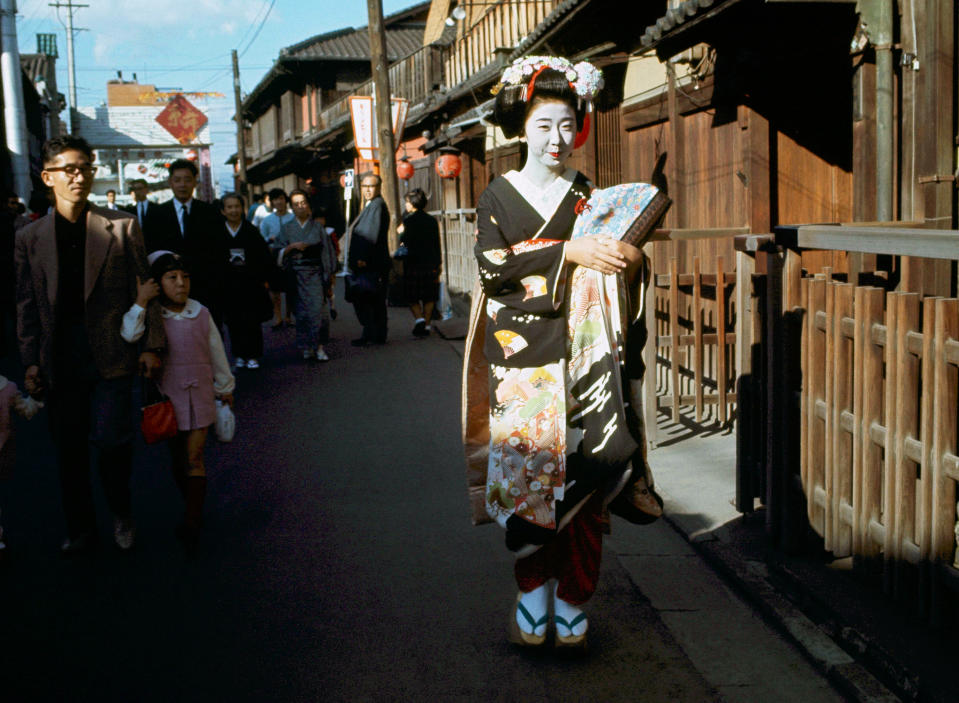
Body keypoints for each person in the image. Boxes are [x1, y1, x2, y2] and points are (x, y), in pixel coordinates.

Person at [463, 57, 664, 649]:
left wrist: (630, 262)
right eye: (544, 124)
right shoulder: (497, 196)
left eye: (566, 124)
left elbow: (620, 257)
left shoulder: (586, 195)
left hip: (584, 355)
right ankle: (532, 586)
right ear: (523, 128)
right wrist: (568, 254)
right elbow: (493, 268)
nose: (556, 138)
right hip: (521, 360)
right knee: (529, 474)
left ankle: (575, 591)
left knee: (588, 475)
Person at [15, 135, 165, 554]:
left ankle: (121, 513)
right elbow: (26, 303)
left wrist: (152, 345)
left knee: (113, 444)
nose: (78, 176)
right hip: (59, 358)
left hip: (112, 354)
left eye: (85, 168)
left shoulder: (121, 225)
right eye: (68, 169)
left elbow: (145, 286)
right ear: (48, 177)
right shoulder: (30, 237)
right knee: (69, 451)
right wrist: (29, 360)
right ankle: (80, 528)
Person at [122, 251, 234, 550]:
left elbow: (217, 352)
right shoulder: (153, 315)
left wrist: (225, 387)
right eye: (172, 278)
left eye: (185, 277)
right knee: (178, 460)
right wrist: (141, 302)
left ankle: (192, 521)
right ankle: (192, 503)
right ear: (158, 283)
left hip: (201, 393)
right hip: (169, 398)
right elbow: (129, 334)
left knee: (195, 458)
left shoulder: (201, 313)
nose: (181, 284)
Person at [142, 159, 230, 324]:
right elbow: (150, 251)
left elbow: (220, 251)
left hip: (206, 288)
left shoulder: (210, 213)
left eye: (187, 179)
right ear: (170, 182)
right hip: (169, 291)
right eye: (177, 180)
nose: (182, 184)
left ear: (195, 182)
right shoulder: (156, 215)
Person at [276, 189, 337, 361]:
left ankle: (319, 346)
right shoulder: (287, 228)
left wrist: (328, 275)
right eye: (296, 204)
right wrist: (290, 248)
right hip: (295, 275)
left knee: (318, 312)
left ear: (308, 205)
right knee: (301, 313)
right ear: (292, 208)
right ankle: (305, 347)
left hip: (315, 274)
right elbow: (277, 250)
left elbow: (327, 253)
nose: (300, 207)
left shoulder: (317, 227)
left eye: (303, 202)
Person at [220, 193, 275, 370]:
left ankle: (253, 355)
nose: (233, 210)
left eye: (237, 206)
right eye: (229, 207)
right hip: (229, 284)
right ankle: (239, 355)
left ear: (242, 209)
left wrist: (263, 279)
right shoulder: (218, 232)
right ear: (223, 211)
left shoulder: (251, 231)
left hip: (250, 284)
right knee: (233, 322)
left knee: (252, 321)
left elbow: (263, 257)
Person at [0, 374, 42, 563]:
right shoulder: (7, 389)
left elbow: (26, 409)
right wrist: (36, 397)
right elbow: (27, 410)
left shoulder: (7, 390)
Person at [346, 173, 390, 346]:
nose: (368, 190)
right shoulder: (370, 205)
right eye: (365, 186)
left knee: (369, 299)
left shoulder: (377, 205)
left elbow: (369, 233)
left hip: (371, 263)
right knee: (373, 300)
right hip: (373, 262)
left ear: (379, 188)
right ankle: (375, 334)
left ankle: (373, 334)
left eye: (371, 186)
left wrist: (362, 257)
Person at [397, 188, 441, 338]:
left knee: (412, 296)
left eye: (407, 202)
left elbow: (404, 243)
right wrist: (438, 263)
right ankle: (427, 325)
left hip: (413, 263)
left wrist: (400, 234)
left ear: (413, 203)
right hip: (430, 263)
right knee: (429, 296)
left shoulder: (408, 221)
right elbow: (437, 243)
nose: (406, 205)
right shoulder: (431, 221)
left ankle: (420, 319)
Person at [259, 188, 295, 328]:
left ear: (285, 200)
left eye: (281, 198)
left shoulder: (293, 217)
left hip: (291, 255)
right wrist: (269, 239)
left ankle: (288, 316)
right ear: (272, 202)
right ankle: (278, 317)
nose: (279, 202)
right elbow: (262, 240)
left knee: (291, 288)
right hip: (273, 256)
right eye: (275, 199)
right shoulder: (267, 220)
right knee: (275, 290)